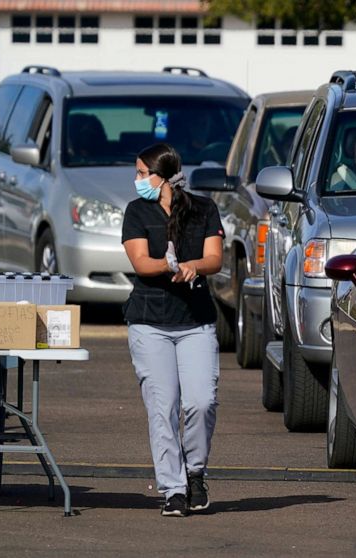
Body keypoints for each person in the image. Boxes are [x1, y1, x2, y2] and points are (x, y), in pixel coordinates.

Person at [121, 142, 225, 517]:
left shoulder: (203, 209)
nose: (136, 180)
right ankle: (173, 489)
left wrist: (192, 265)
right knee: (161, 408)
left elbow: (215, 258)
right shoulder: (136, 212)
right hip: (149, 322)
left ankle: (195, 471)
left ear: (162, 176)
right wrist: (168, 267)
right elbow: (140, 263)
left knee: (201, 401)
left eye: (141, 172)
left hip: (196, 321)